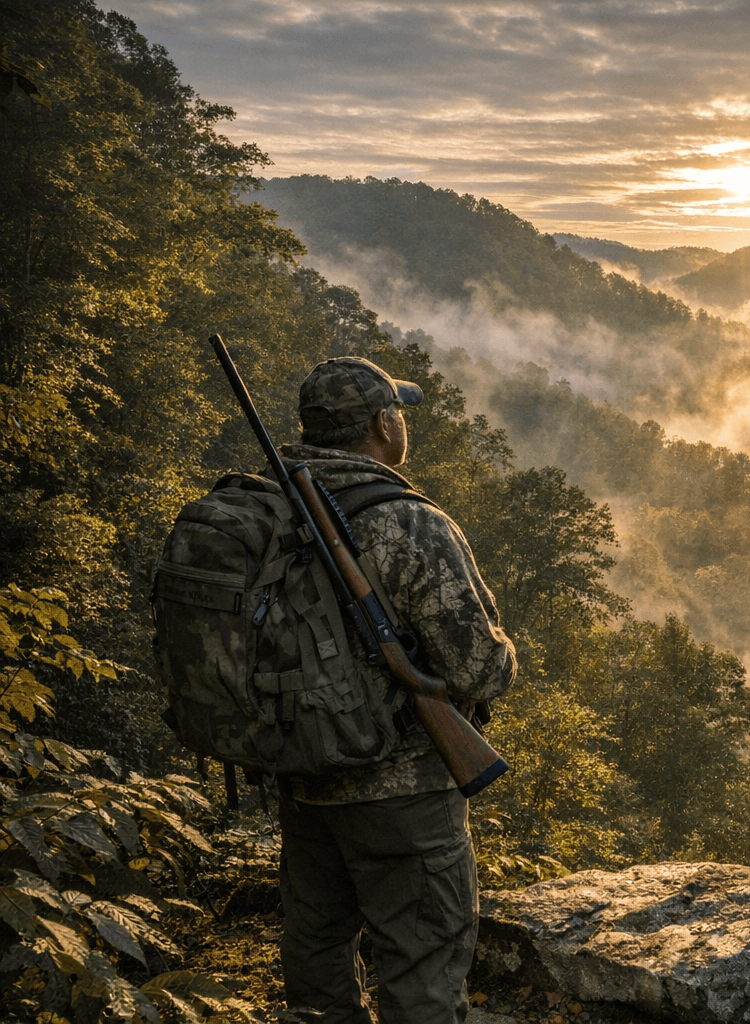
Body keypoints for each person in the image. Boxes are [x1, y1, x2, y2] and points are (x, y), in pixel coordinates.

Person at [278, 356, 517, 1024]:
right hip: (402, 793)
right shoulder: (409, 522)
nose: (401, 422)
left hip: (303, 773)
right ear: (383, 425)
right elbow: (479, 669)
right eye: (399, 411)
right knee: (420, 972)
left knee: (317, 956)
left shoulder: (270, 506)